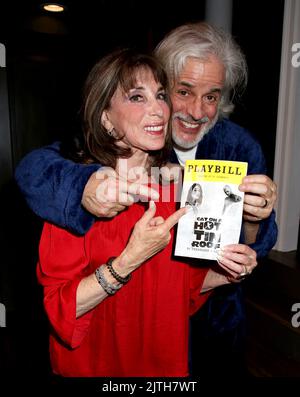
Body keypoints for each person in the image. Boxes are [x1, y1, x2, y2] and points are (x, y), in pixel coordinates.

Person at [15, 22, 277, 375]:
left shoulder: (179, 184)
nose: (163, 110)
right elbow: (60, 307)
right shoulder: (81, 192)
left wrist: (230, 270)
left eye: (160, 96)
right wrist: (129, 259)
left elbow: (179, 289)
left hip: (174, 361)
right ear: (106, 119)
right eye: (139, 97)